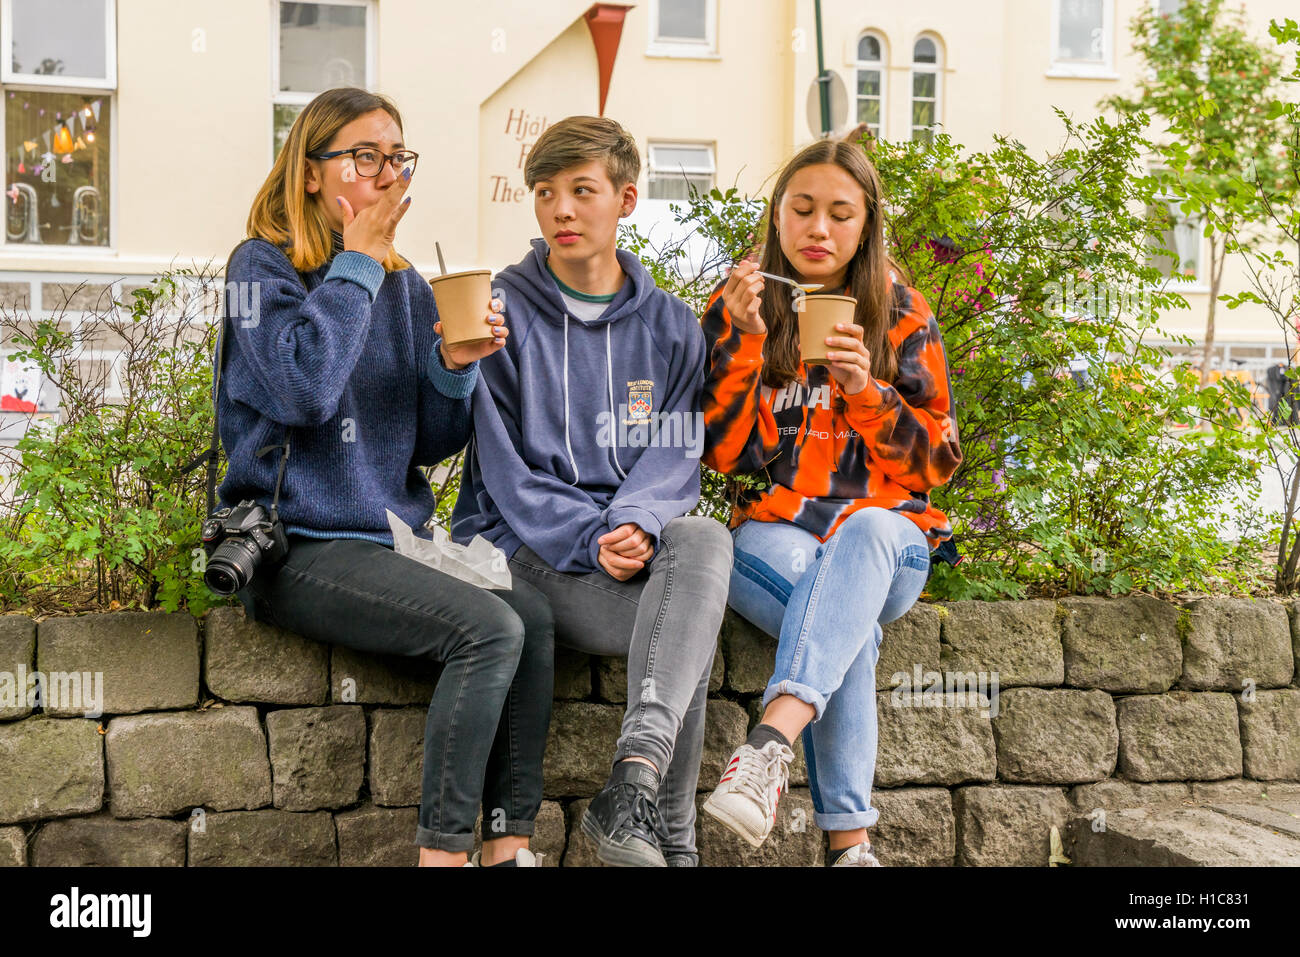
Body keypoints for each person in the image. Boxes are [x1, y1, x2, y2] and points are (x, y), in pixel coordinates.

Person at [218, 87, 555, 868]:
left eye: (396, 158)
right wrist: (356, 265)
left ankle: (508, 847)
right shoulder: (260, 268)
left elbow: (427, 443)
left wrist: (453, 368)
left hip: (390, 543)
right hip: (294, 545)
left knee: (529, 615)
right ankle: (441, 856)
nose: (385, 175)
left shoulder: (403, 285)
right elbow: (302, 388)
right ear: (310, 172)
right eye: (364, 157)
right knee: (487, 626)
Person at [451, 115, 733, 867]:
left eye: (582, 191)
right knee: (687, 630)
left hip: (625, 547)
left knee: (704, 538)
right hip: (526, 546)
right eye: (546, 193)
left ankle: (632, 786)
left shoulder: (673, 326)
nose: (562, 211)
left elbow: (677, 453)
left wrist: (637, 521)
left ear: (627, 199)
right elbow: (506, 474)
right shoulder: (499, 312)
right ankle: (670, 840)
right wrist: (591, 536)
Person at [698, 138, 963, 866]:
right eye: (803, 209)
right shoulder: (740, 306)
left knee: (871, 526)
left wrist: (866, 392)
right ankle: (851, 849)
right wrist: (747, 343)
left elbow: (938, 460)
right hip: (777, 532)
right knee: (851, 634)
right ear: (777, 216)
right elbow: (724, 456)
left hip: (891, 542)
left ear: (866, 222)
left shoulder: (902, 314)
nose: (819, 228)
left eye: (840, 214)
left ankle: (769, 740)